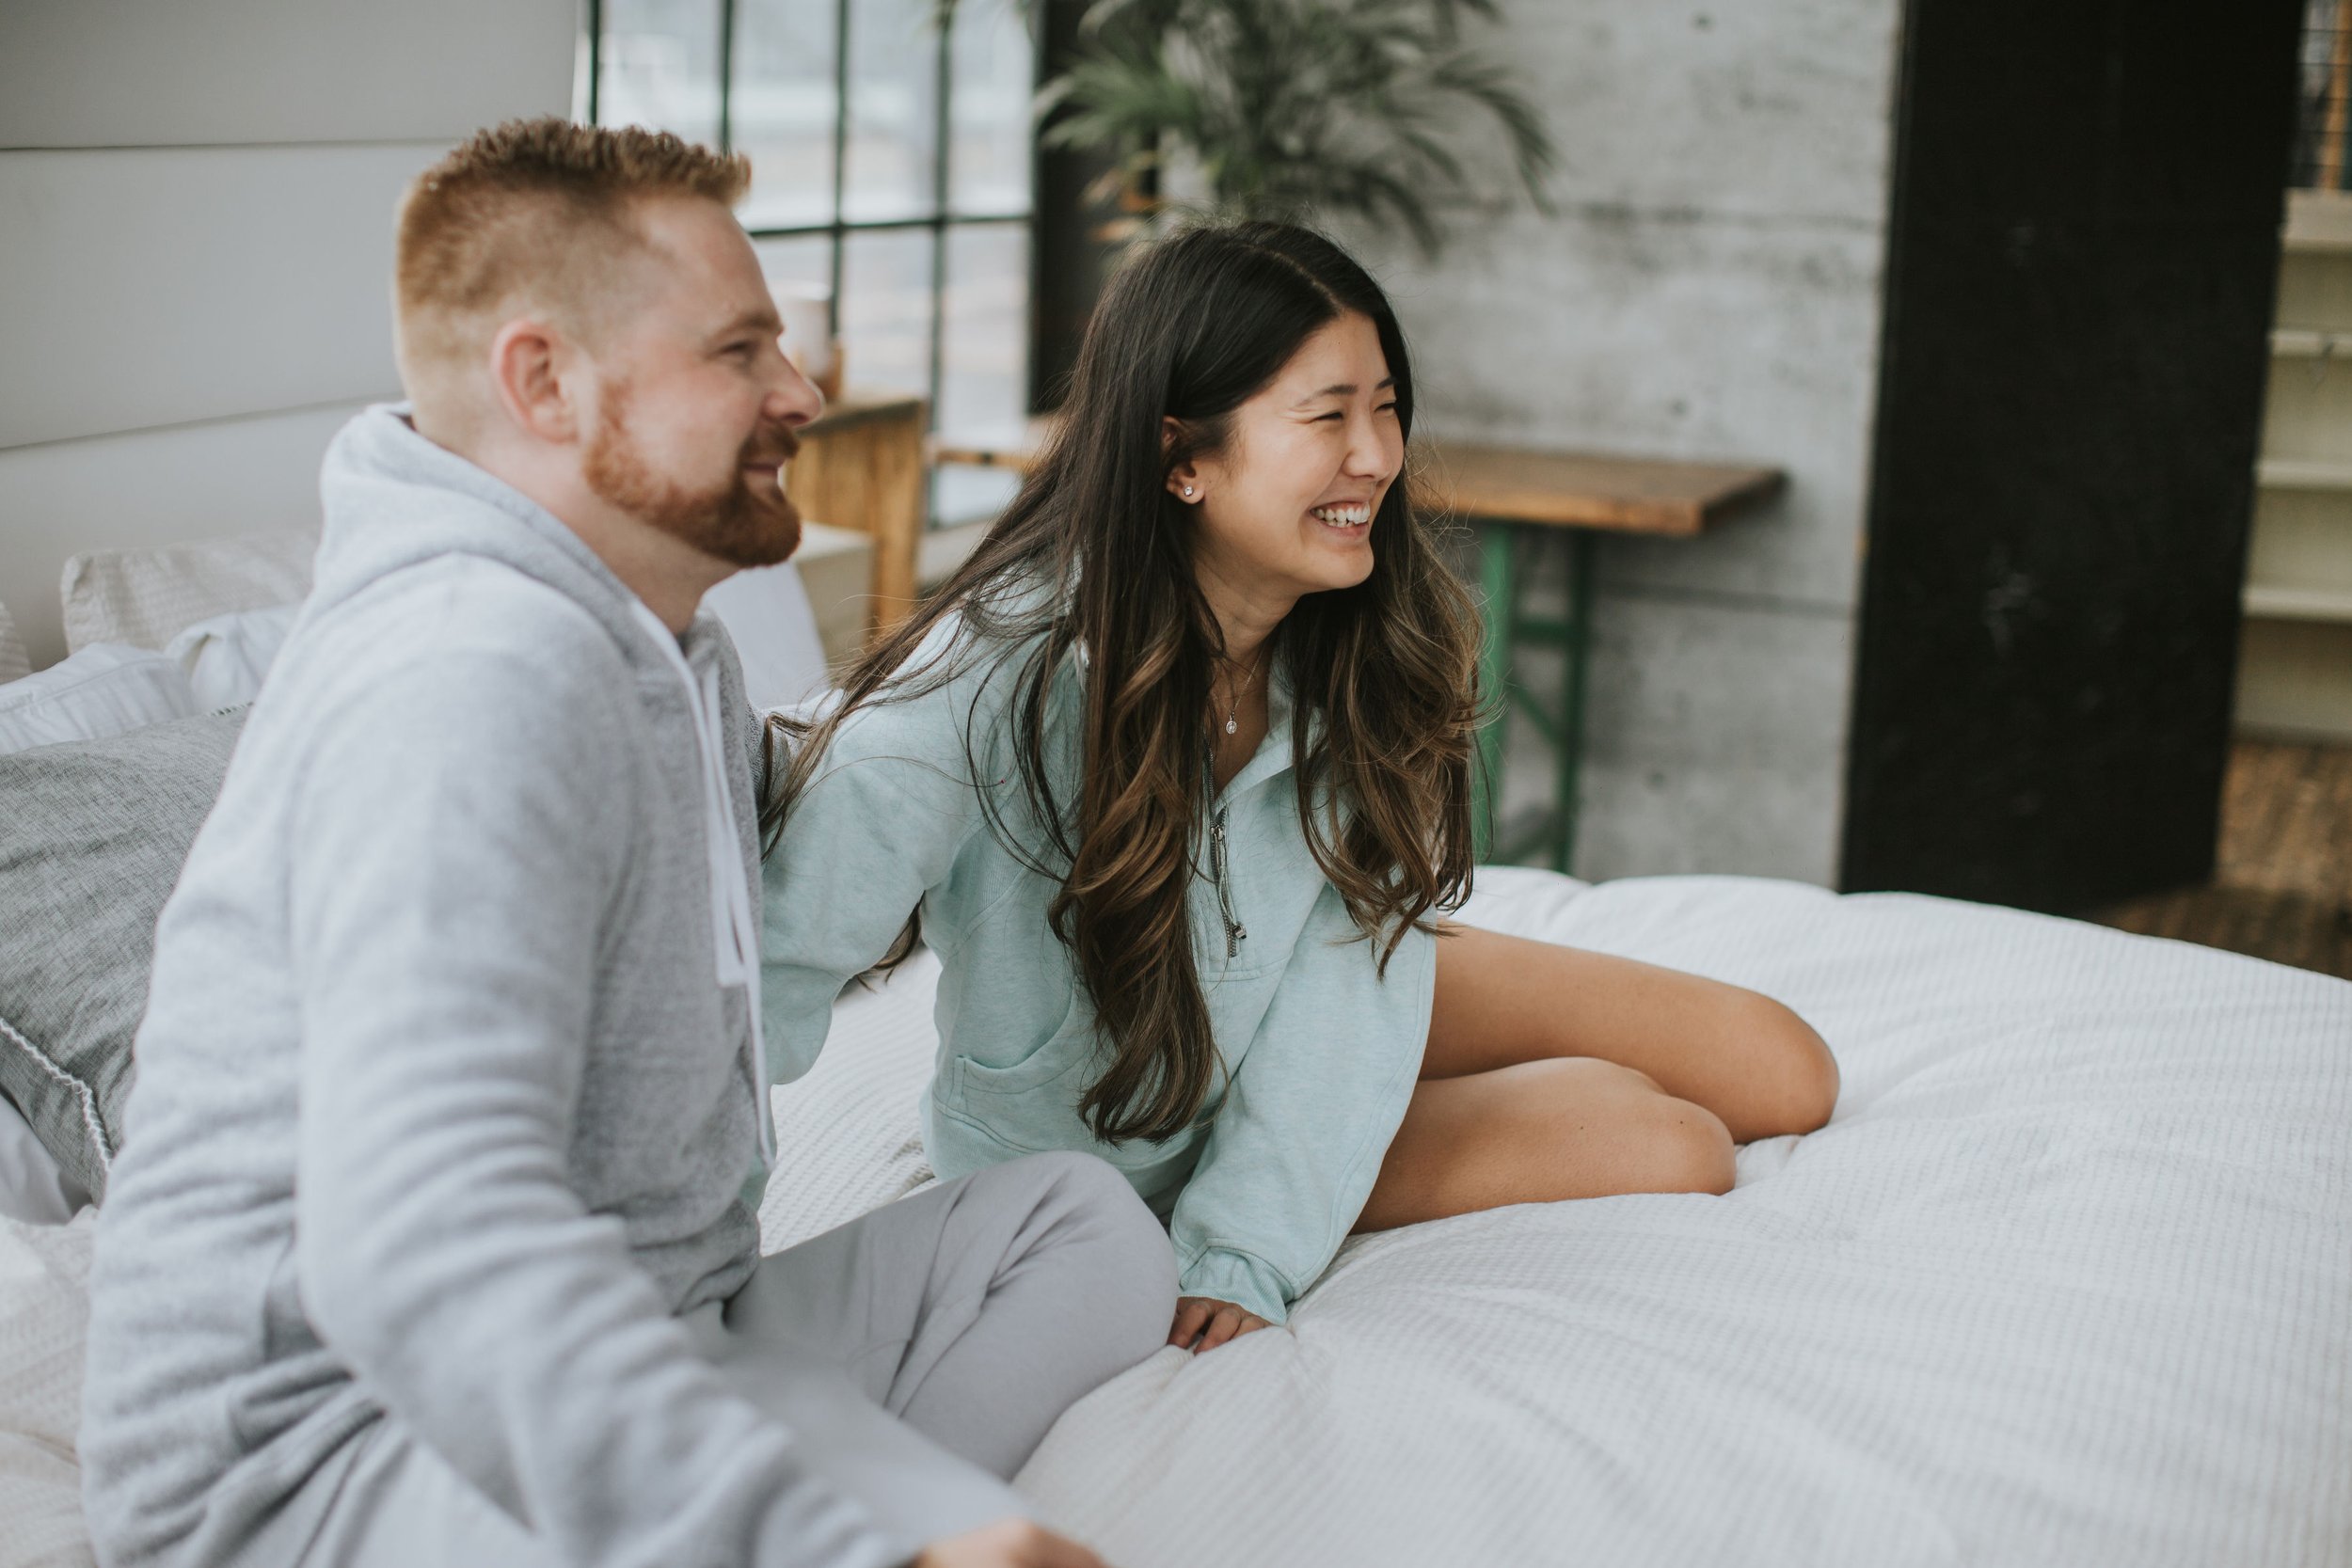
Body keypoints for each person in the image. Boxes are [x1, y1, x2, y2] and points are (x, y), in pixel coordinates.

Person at [79, 119, 1172, 1568]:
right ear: (543, 380)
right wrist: (832, 1534)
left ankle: (783, 1487)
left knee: (1083, 1224)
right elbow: (423, 1242)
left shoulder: (670, 651)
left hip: (664, 1325)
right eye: (739, 352)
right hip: (340, 1445)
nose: (805, 388)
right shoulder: (467, 679)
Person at [758, 221, 1839, 1355]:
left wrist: (1253, 1232)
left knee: (1784, 1067)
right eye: (1328, 416)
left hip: (1302, 1000)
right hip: (1110, 1154)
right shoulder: (988, 683)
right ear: (1183, 455)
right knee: (1675, 1145)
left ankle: (1342, 1129)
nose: (1376, 456)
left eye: (1385, 406)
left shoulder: (1340, 646)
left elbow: (1344, 970)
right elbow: (777, 960)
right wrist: (1230, 1247)